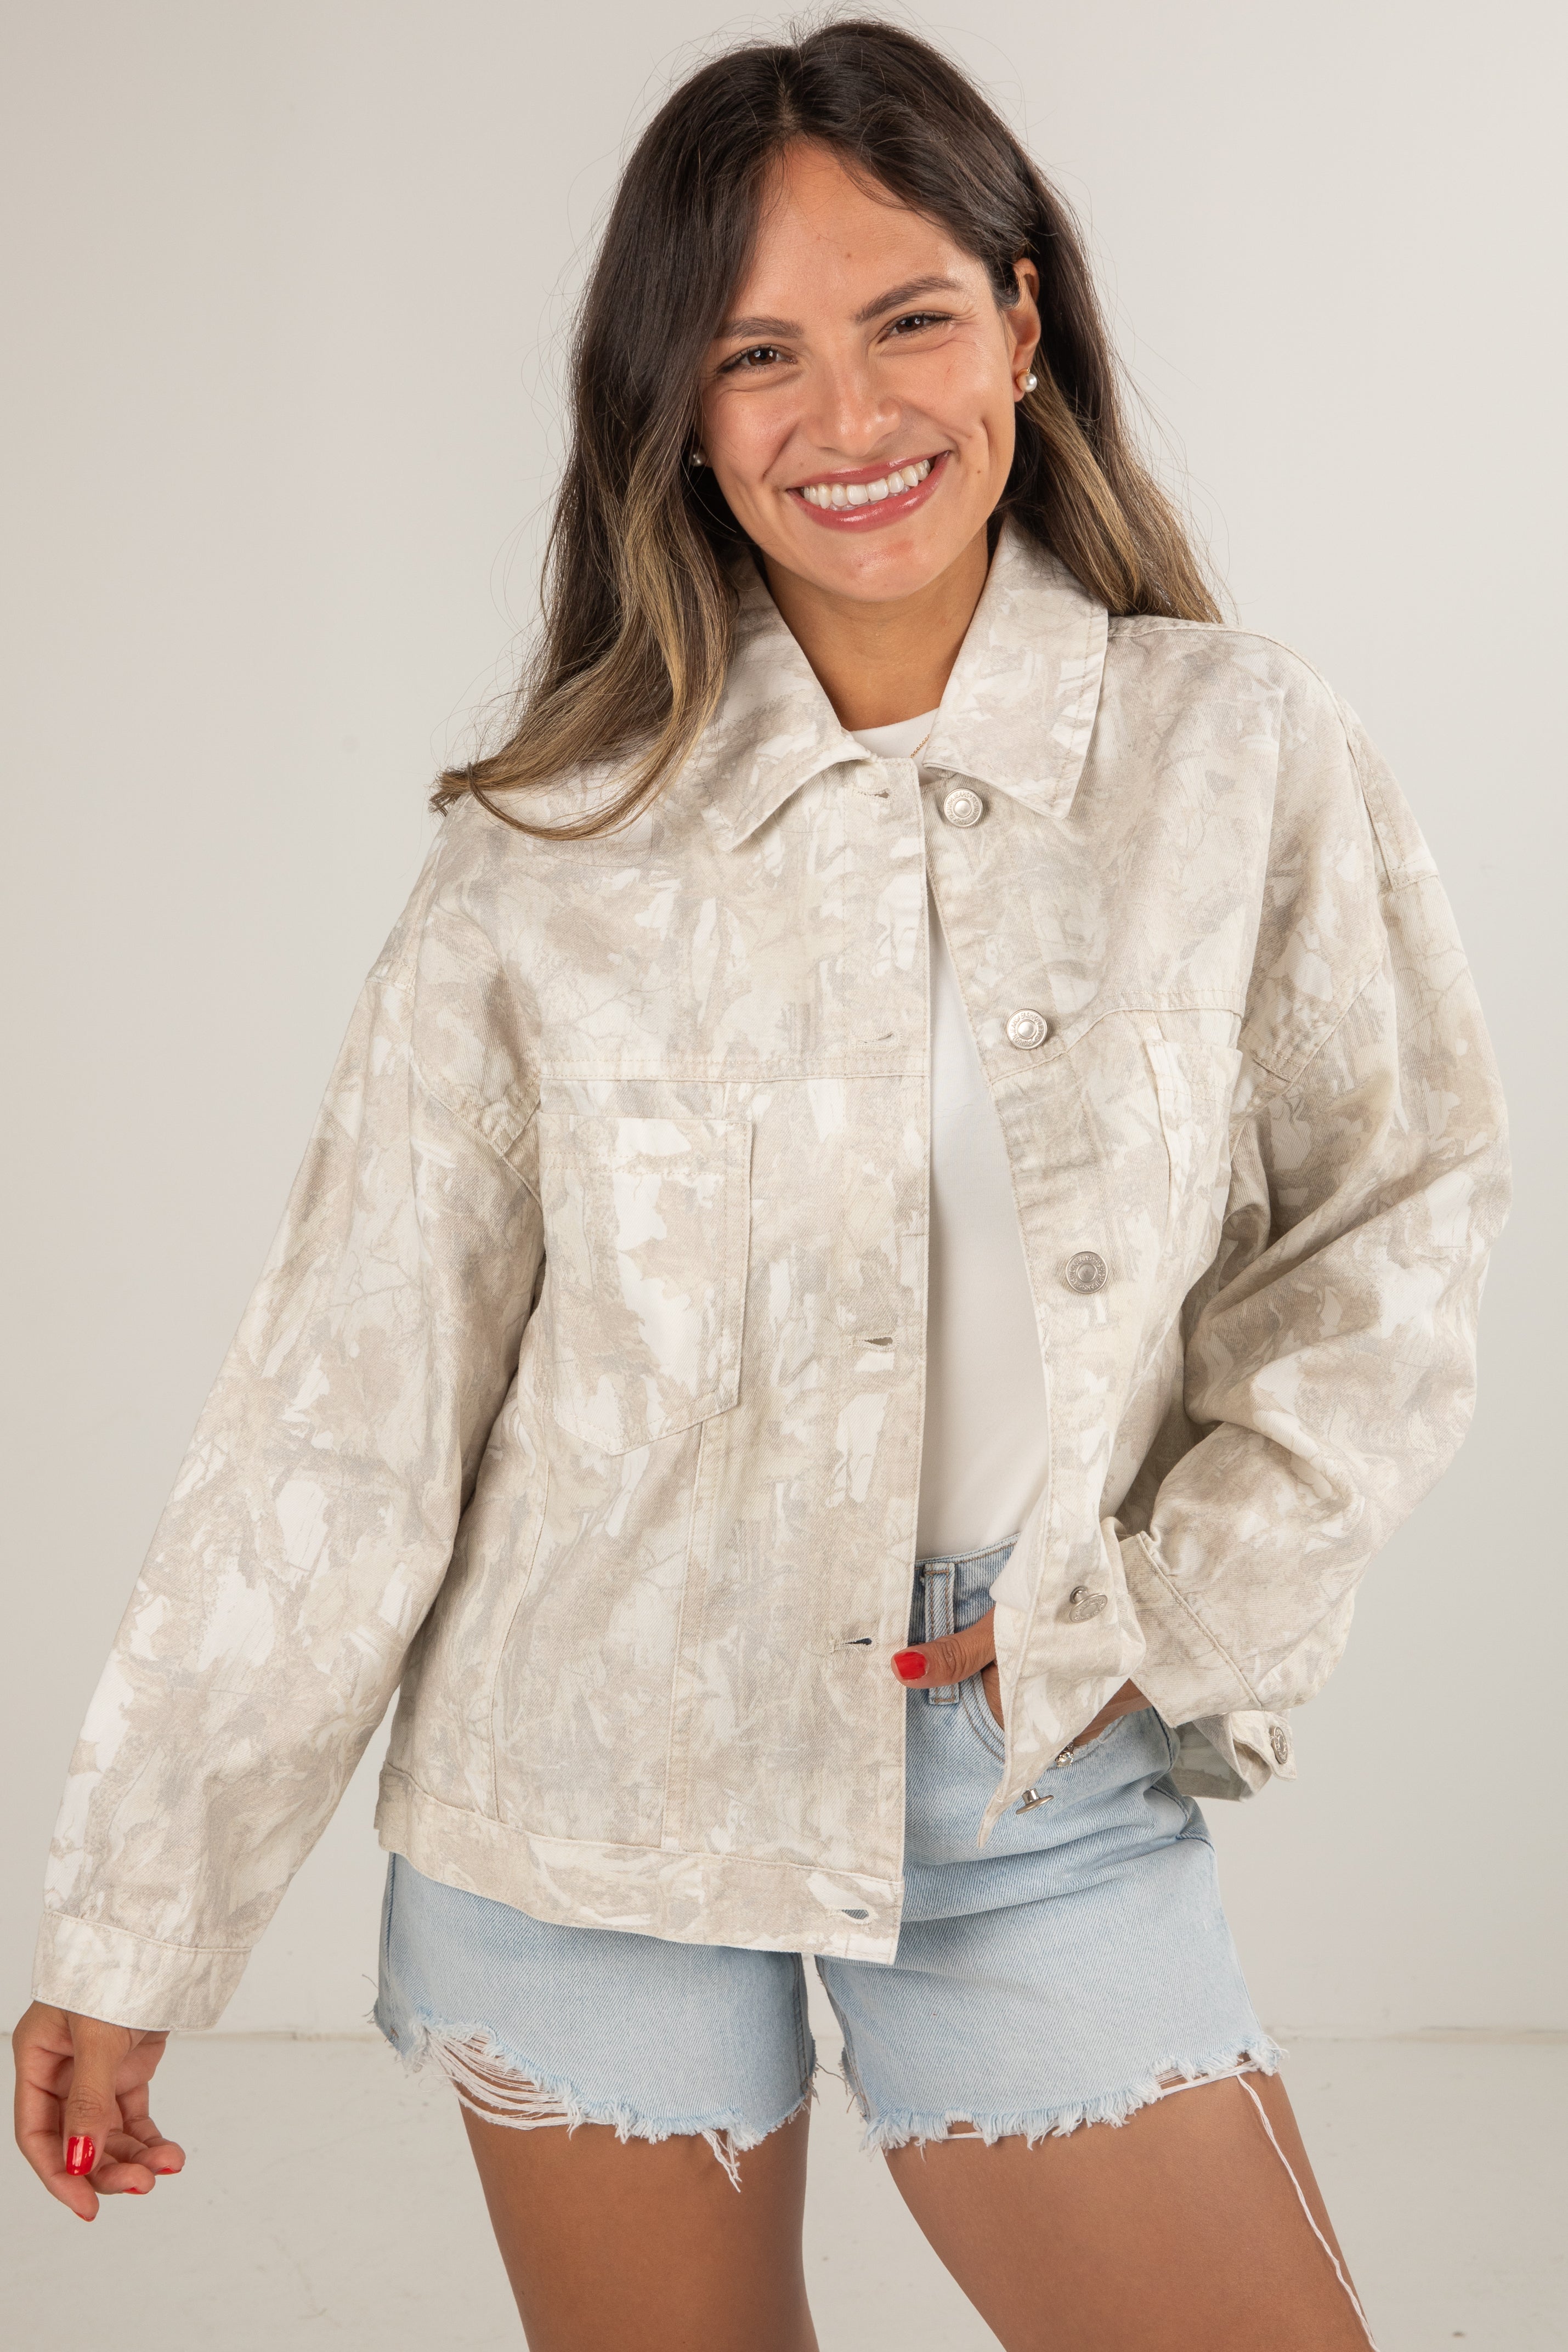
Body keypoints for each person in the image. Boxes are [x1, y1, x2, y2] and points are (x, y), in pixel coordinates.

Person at [13, 20, 1508, 2350]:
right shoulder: (546, 851)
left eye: (907, 316)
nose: (848, 414)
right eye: (755, 356)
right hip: (579, 1784)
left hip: (1022, 1752)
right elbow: (345, 1410)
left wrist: (1181, 1606)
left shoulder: (1236, 753)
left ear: (1022, 321)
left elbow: (1394, 1218)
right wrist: (132, 1924)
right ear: (679, 416)